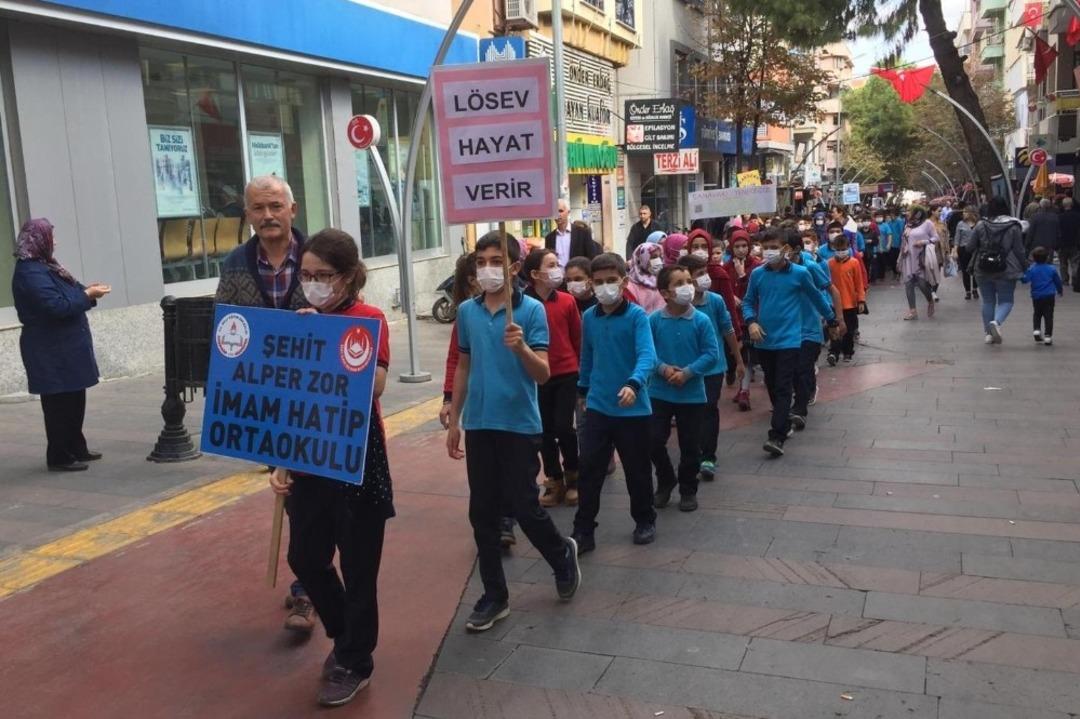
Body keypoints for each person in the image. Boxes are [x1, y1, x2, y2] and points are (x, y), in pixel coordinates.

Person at [268, 229, 393, 707]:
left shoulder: (369, 319)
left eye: (323, 276)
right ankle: (346, 636)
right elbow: (285, 396)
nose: (314, 284)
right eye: (306, 275)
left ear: (347, 276)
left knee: (360, 567)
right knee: (304, 556)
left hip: (357, 457)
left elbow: (376, 385)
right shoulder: (299, 322)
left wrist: (324, 341)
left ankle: (355, 661)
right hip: (308, 454)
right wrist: (279, 462)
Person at [446, 230, 581, 633]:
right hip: (480, 425)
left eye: (495, 261)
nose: (487, 268)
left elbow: (542, 374)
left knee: (525, 508)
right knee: (482, 513)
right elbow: (463, 366)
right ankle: (495, 596)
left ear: (515, 267)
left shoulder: (531, 312)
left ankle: (561, 555)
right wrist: (455, 420)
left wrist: (521, 347)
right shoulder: (468, 312)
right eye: (481, 260)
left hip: (520, 425)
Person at [214, 175, 315, 634]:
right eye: (258, 208)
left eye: (276, 206)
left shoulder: (320, 255)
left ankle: (308, 585)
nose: (268, 216)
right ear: (248, 215)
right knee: (288, 490)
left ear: (293, 209)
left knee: (314, 494)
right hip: (270, 401)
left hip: (318, 396)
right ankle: (308, 580)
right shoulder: (235, 263)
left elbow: (349, 306)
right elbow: (225, 328)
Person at [571, 253, 659, 553]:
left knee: (637, 470)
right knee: (590, 470)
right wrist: (582, 391)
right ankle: (583, 530)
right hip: (598, 406)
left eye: (611, 281)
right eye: (598, 282)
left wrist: (634, 384)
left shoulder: (636, 317)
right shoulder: (589, 318)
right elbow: (587, 357)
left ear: (623, 282)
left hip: (633, 409)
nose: (605, 287)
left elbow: (648, 355)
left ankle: (645, 519)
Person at [12, 218, 109, 472]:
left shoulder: (48, 267)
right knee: (58, 404)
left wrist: (88, 290)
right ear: (38, 240)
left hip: (67, 346)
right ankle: (59, 455)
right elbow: (56, 307)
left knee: (75, 397)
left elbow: (72, 293)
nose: (55, 242)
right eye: (51, 237)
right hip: (50, 349)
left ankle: (77, 447)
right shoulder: (29, 272)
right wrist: (87, 295)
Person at [742, 231, 838, 457]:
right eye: (765, 247)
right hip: (764, 341)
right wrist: (751, 322)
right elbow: (748, 302)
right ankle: (783, 423)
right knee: (773, 385)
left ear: (786, 248)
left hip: (790, 340)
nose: (769, 251)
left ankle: (776, 436)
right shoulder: (757, 275)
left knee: (784, 386)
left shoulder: (800, 273)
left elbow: (818, 298)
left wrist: (833, 320)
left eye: (774, 246)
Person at [648, 265, 720, 512]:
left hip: (691, 394)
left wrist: (687, 373)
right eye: (679, 283)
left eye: (689, 281)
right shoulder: (654, 320)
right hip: (659, 392)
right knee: (653, 440)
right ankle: (666, 478)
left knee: (690, 446)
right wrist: (664, 369)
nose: (687, 287)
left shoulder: (701, 320)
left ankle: (688, 489)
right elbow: (647, 353)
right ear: (665, 293)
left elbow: (711, 354)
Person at [522, 249, 582, 509]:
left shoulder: (567, 301)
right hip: (537, 376)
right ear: (535, 274)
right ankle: (553, 478)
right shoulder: (521, 304)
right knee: (543, 432)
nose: (558, 269)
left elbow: (577, 339)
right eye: (551, 265)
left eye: (557, 263)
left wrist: (582, 373)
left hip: (567, 373)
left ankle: (574, 476)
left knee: (564, 427)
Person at [677, 254, 745, 481]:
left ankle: (708, 456)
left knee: (708, 409)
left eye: (704, 272)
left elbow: (727, 330)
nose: (704, 278)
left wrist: (738, 360)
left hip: (713, 367)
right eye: (698, 274)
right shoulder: (675, 304)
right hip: (686, 369)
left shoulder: (714, 300)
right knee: (691, 413)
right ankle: (692, 452)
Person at [964, 196, 1027, 344]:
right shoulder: (1014, 226)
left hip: (983, 268)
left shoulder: (981, 225)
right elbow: (1019, 250)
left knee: (988, 301)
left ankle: (988, 334)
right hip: (1006, 268)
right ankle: (996, 322)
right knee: (1006, 301)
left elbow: (969, 247)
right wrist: (1025, 266)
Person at [724, 230, 761, 411]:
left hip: (749, 317)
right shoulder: (725, 266)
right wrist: (731, 296)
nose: (741, 250)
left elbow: (756, 290)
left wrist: (742, 275)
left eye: (744, 246)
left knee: (746, 355)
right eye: (737, 246)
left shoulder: (756, 266)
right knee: (733, 355)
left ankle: (745, 390)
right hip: (731, 318)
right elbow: (721, 288)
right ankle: (738, 382)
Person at [826, 234, 866, 366]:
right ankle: (834, 352)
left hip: (850, 303)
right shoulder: (829, 264)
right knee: (834, 330)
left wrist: (861, 300)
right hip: (833, 303)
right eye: (838, 249)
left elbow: (859, 283)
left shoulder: (854, 263)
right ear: (833, 248)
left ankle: (848, 351)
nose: (841, 251)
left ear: (848, 248)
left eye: (843, 248)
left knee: (848, 329)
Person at [898, 206, 938, 321]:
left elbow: (936, 238)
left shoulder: (927, 224)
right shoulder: (908, 225)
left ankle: (930, 300)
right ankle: (912, 311)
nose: (907, 213)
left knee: (922, 284)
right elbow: (904, 240)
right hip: (908, 258)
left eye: (910, 211)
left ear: (918, 213)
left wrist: (923, 242)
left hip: (920, 258)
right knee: (908, 284)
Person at [1022, 246, 1064, 345]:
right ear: (1047, 257)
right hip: (1049, 295)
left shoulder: (1032, 269)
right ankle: (1048, 336)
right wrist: (1060, 291)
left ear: (1033, 257)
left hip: (1036, 296)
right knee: (1048, 315)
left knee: (1037, 313)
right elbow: (1057, 282)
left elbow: (1025, 280)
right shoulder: (1052, 269)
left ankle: (1036, 330)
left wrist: (1021, 275)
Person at [546, 202, 601, 267]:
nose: (558, 214)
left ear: (568, 212)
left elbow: (591, 256)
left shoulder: (583, 233)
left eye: (561, 211)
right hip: (557, 275)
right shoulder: (549, 238)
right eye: (555, 211)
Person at [627, 241, 666, 312]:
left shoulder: (663, 282)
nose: (658, 261)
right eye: (653, 257)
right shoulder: (630, 286)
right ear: (642, 258)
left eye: (660, 257)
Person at [953, 208, 980, 300]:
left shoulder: (978, 224)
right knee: (965, 271)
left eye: (965, 212)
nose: (963, 213)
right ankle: (968, 291)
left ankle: (975, 289)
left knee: (976, 270)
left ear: (970, 213)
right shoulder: (960, 224)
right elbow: (957, 238)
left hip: (976, 250)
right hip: (964, 250)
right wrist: (955, 250)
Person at [1057, 197, 1080, 286]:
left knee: (1063, 263)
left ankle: (1064, 280)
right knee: (1075, 262)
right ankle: (1074, 278)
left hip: (1062, 244)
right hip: (1075, 243)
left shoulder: (1060, 217)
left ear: (1063, 205)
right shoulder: (1078, 216)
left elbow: (1057, 231)